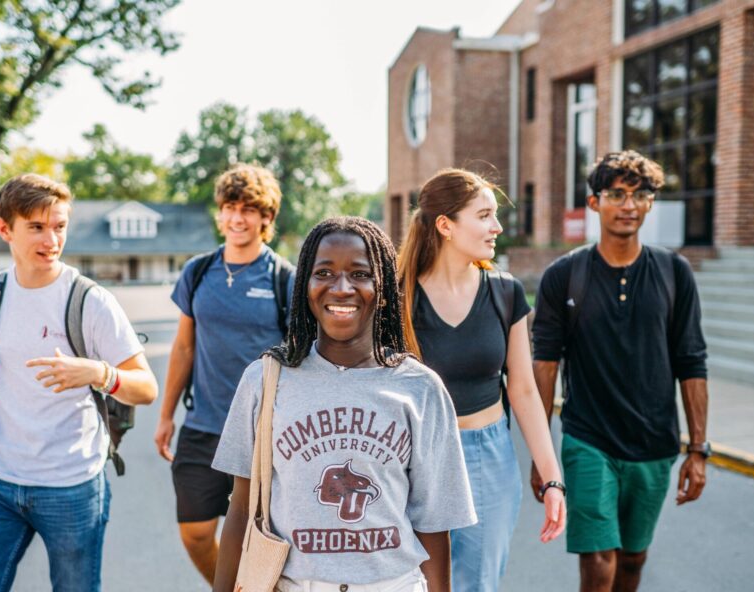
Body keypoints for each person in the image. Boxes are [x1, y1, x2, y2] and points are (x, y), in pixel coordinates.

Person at [212, 216, 476, 592]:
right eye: (324, 272)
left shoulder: (420, 388)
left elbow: (433, 524)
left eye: (359, 274)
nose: (341, 288)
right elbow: (240, 510)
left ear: (382, 288)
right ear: (305, 285)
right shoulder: (265, 380)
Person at [0, 173, 158, 592]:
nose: (52, 239)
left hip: (72, 484)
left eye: (60, 226)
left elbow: (146, 387)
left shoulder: (90, 300)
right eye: (37, 227)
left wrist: (99, 373)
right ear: (4, 229)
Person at [530, 151, 709, 592]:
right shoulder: (564, 276)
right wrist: (543, 453)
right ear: (595, 203)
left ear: (650, 203)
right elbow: (545, 364)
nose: (628, 204)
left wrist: (699, 449)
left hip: (654, 443)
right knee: (599, 558)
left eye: (639, 194)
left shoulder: (674, 273)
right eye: (616, 194)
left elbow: (692, 361)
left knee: (632, 559)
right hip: (588, 439)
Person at [396, 168, 566, 591]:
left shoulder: (505, 292)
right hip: (410, 460)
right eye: (485, 215)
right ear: (445, 225)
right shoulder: (397, 298)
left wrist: (551, 477)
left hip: (486, 456)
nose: (498, 227)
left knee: (477, 584)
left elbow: (524, 390)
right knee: (409, 583)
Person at [153, 163, 293, 585]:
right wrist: (166, 415)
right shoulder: (198, 272)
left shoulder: (282, 278)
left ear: (266, 218)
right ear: (220, 213)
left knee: (262, 536)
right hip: (203, 425)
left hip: (263, 434)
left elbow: (299, 357)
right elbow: (183, 347)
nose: (237, 218)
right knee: (195, 532)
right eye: (230, 207)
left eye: (249, 209)